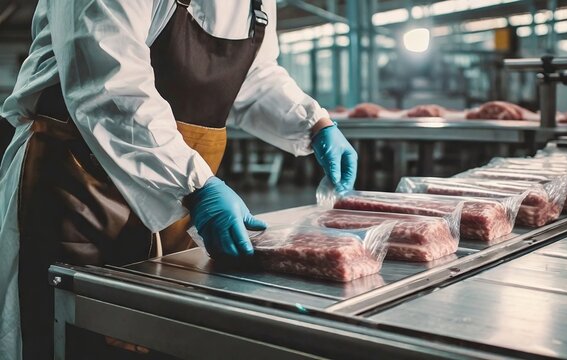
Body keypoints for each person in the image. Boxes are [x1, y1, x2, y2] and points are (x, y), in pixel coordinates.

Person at [0, 1, 357, 358]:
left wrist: (314, 124)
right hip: (79, 186)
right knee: (68, 330)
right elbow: (108, 86)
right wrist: (193, 183)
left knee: (159, 329)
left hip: (177, 198)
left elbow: (254, 77)